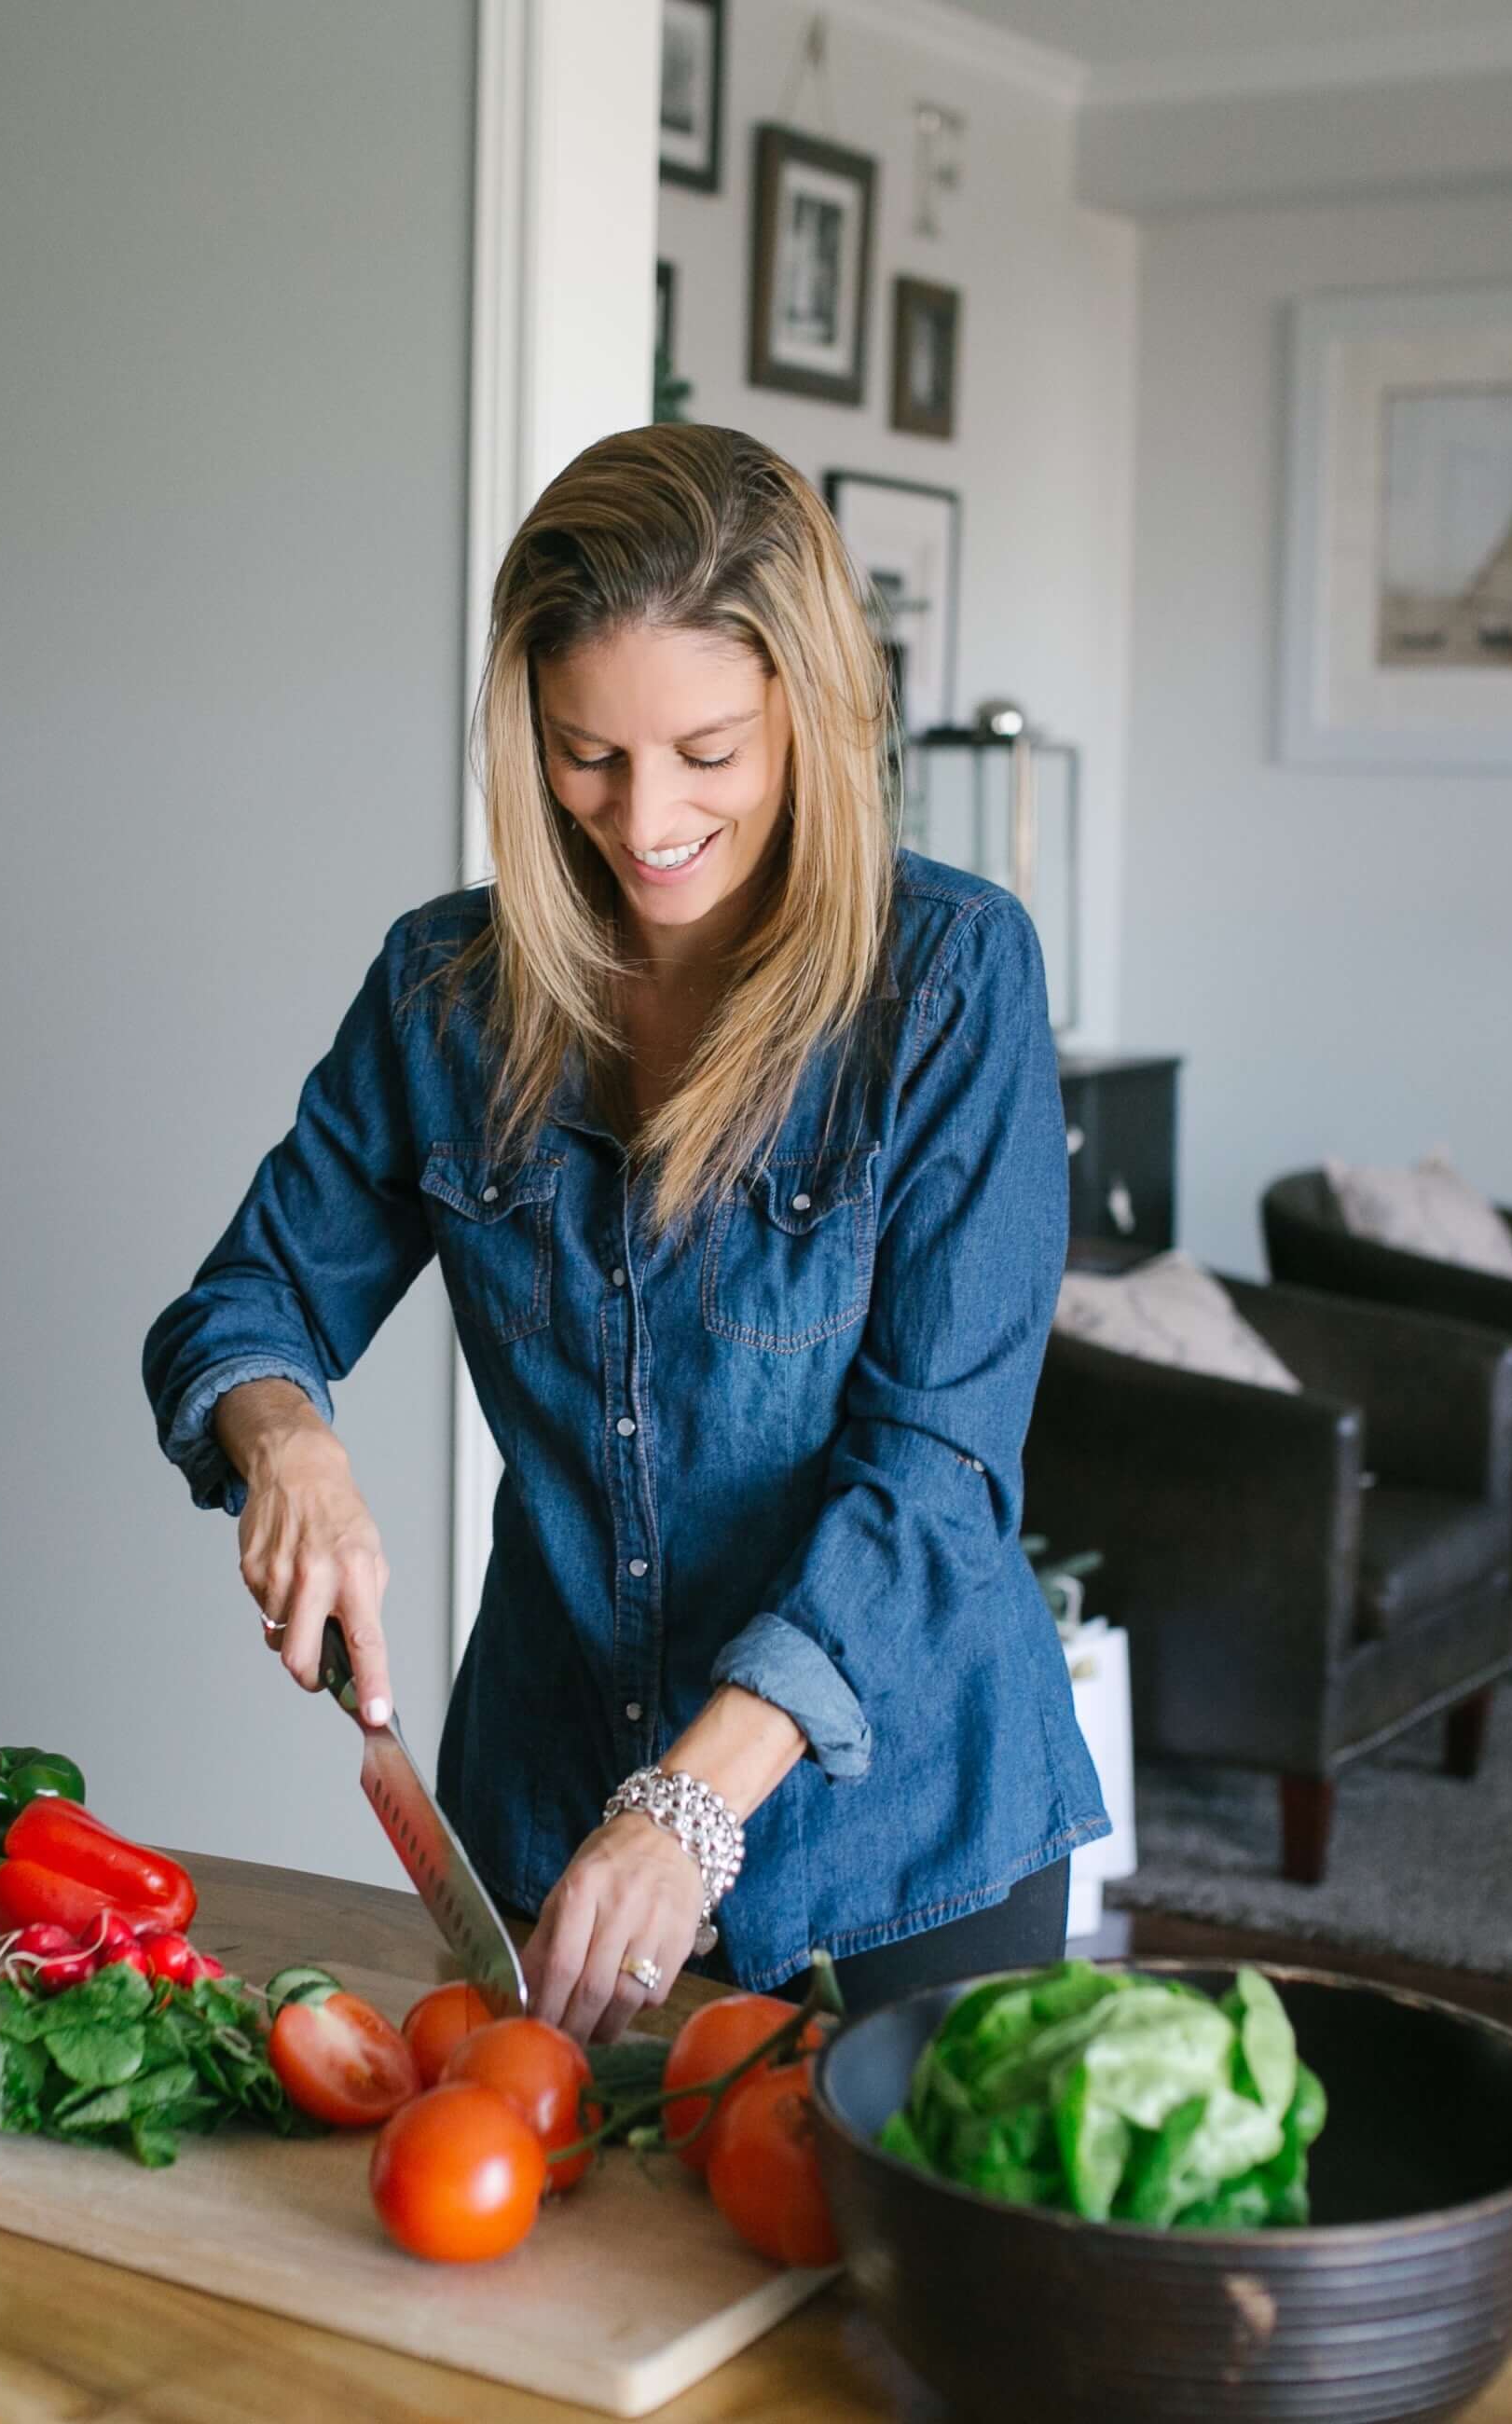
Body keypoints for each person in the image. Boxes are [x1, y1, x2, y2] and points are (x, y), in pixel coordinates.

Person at [142, 423, 1101, 2040]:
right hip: (546, 1816)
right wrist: (285, 1442)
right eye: (587, 754)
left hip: (905, 1845)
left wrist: (691, 1805)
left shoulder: (947, 980)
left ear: (810, 709)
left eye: (707, 752)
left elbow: (939, 1471)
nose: (644, 818)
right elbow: (246, 1303)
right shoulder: (448, 993)